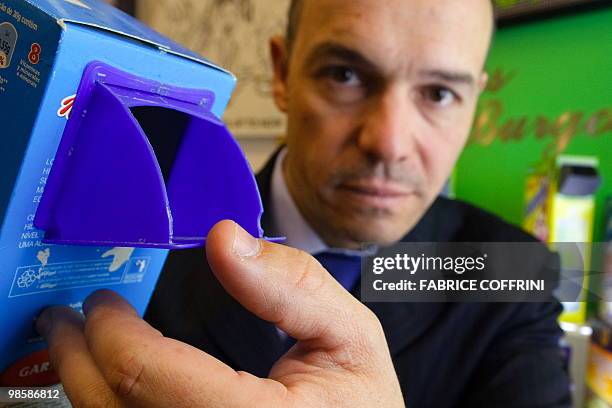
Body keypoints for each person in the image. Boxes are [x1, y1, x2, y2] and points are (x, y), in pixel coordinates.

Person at [37, 0, 572, 406]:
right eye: (345, 75)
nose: (388, 141)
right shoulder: (138, 237)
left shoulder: (514, 270)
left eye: (438, 94)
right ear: (282, 73)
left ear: (475, 103)